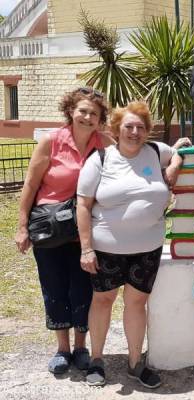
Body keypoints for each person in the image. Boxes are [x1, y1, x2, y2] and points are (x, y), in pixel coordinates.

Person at [76, 101, 190, 388]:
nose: (135, 132)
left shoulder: (155, 152)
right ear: (116, 129)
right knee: (103, 301)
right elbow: (82, 204)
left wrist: (175, 164)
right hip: (105, 249)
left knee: (137, 304)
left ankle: (135, 363)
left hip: (147, 249)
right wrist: (86, 248)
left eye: (141, 127)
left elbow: (178, 149)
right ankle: (97, 360)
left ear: (147, 131)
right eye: (128, 126)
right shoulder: (99, 159)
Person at [14, 87, 113, 374]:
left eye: (94, 113)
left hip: (85, 230)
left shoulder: (104, 144)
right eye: (82, 110)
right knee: (54, 286)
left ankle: (81, 347)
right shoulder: (51, 141)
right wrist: (22, 227)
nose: (87, 117)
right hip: (50, 227)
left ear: (99, 119)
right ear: (71, 111)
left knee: (83, 287)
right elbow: (31, 185)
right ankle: (62, 348)